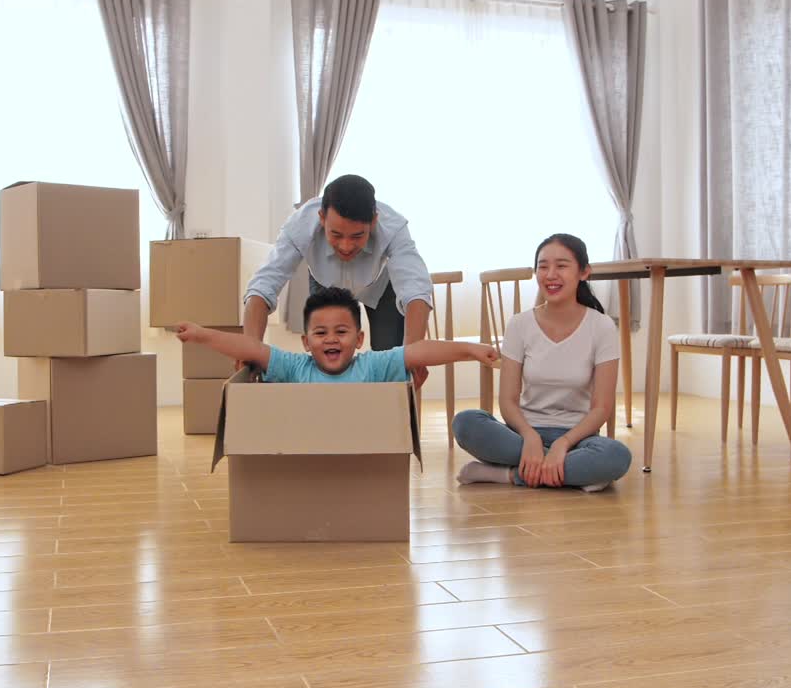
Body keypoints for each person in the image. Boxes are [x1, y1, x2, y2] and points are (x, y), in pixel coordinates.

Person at [452, 233, 632, 492]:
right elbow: (508, 401)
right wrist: (530, 437)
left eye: (561, 266)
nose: (550, 275)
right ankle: (571, 472)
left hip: (577, 438)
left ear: (584, 272)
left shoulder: (601, 326)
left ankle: (508, 474)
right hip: (522, 435)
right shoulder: (519, 324)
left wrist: (563, 444)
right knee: (466, 422)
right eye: (543, 266)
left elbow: (601, 408)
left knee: (616, 456)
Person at [242, 174, 434, 386]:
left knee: (393, 365)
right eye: (336, 234)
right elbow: (263, 285)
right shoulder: (300, 225)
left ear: (374, 221)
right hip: (325, 283)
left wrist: (415, 354)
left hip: (380, 286)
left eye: (357, 236)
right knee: (325, 360)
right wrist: (251, 350)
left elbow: (416, 289)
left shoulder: (393, 227)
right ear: (322, 218)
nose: (346, 246)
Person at [177, 286, 497, 383]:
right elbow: (250, 348)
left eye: (341, 331)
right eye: (320, 332)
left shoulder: (371, 366)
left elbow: (419, 352)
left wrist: (470, 351)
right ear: (306, 342)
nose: (331, 339)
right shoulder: (295, 368)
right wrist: (202, 335)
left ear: (359, 339)